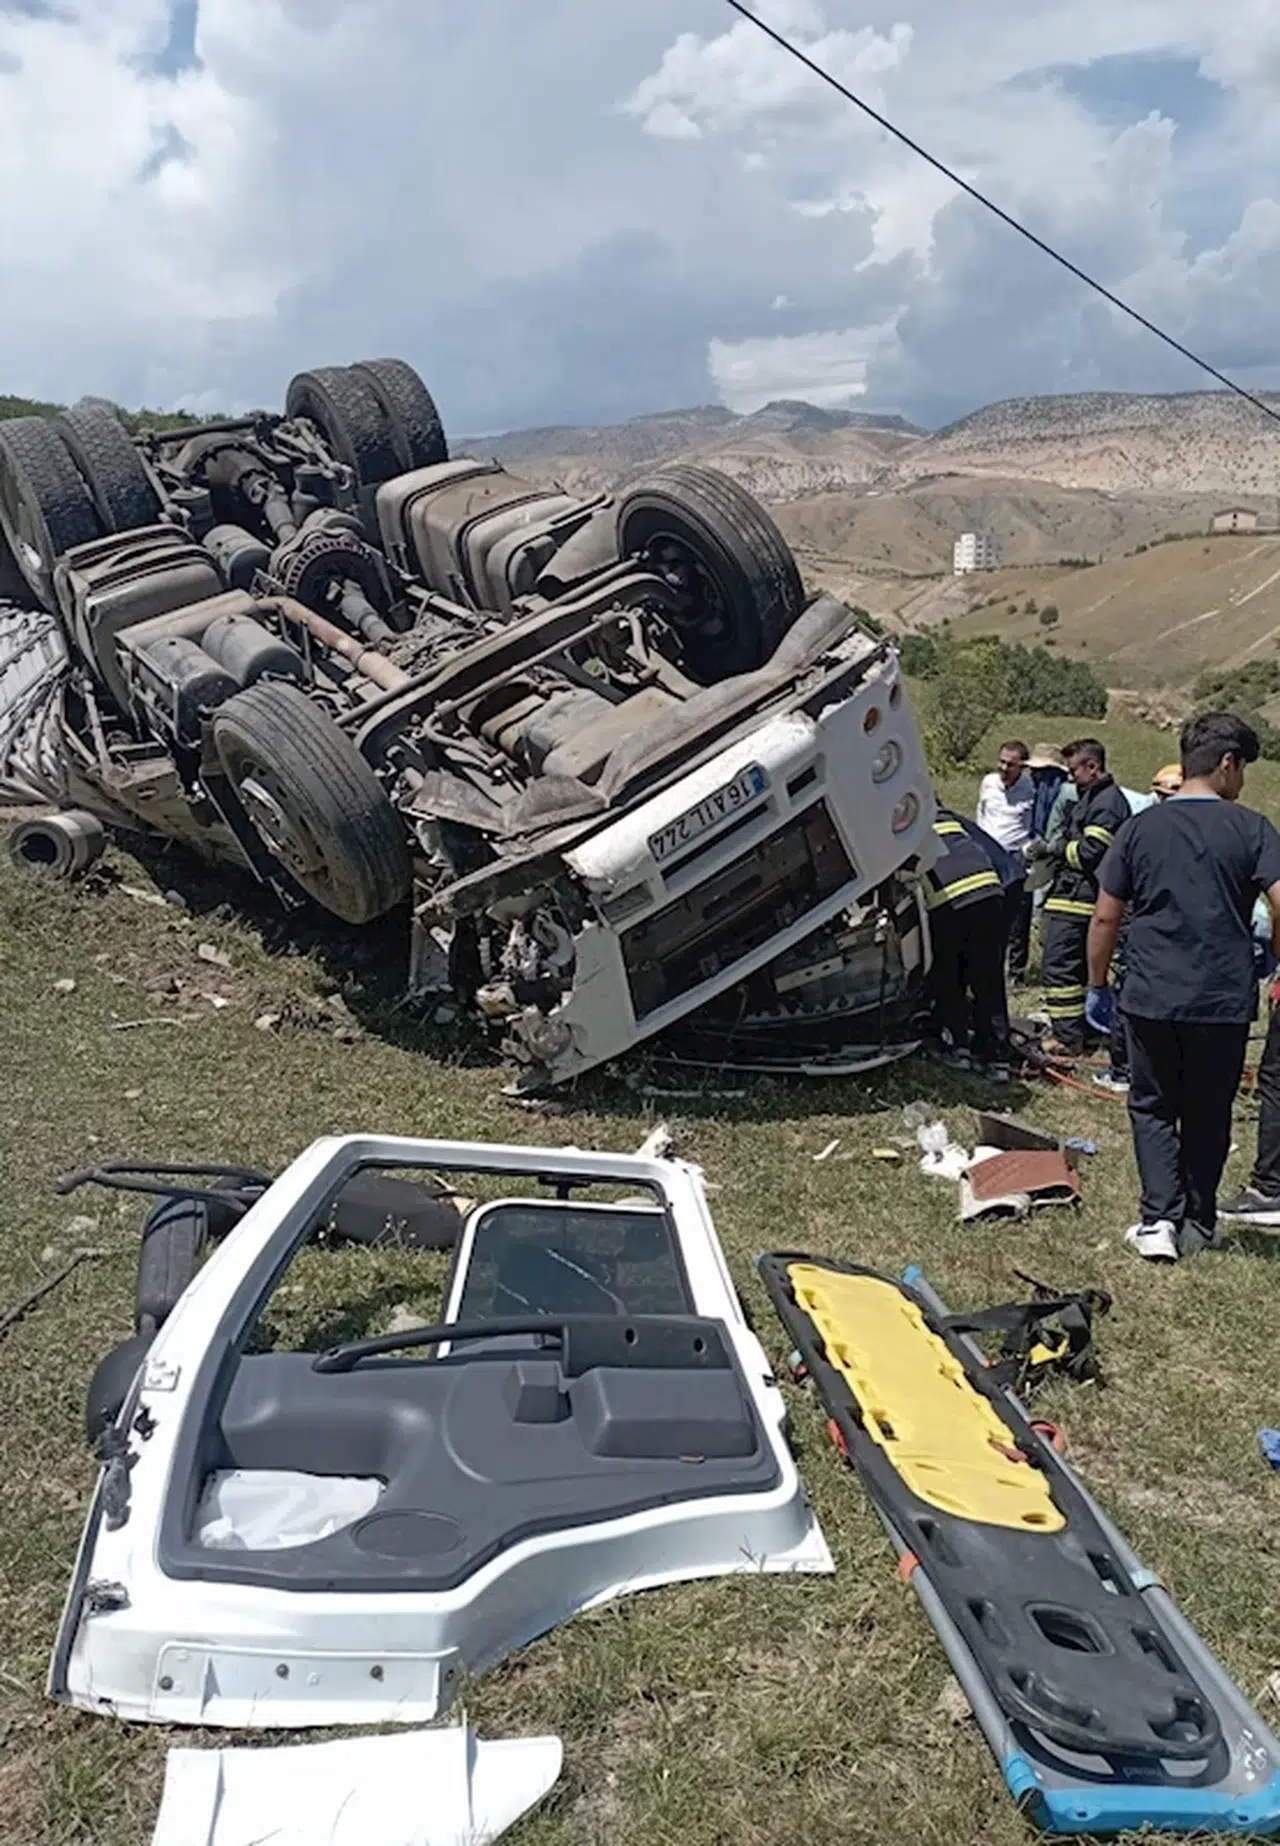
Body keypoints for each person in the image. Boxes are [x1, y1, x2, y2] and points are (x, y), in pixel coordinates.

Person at [1087, 712, 1280, 1261]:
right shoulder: (1253, 829)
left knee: (1152, 1105)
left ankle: (1158, 1221)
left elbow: (1105, 916)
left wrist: (1097, 984)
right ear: (1226, 764)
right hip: (1222, 998)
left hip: (1151, 992)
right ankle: (1199, 1221)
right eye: (1242, 768)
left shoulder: (1140, 828)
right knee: (1209, 1110)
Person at [1093, 764, 1184, 1095]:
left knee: (1130, 996)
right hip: (1170, 930)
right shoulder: (1199, 834)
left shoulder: (1139, 830)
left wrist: (1096, 983)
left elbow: (1108, 902)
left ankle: (1124, 1070)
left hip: (1141, 927)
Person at [1038, 740, 1132, 1054]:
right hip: (1075, 894)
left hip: (1079, 898)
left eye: (1073, 771)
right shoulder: (1093, 798)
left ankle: (1067, 1039)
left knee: (1060, 967)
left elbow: (1091, 853)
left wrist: (1055, 849)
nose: (1070, 778)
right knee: (1075, 971)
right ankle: (1083, 1031)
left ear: (1092, 767)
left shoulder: (1107, 803)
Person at [924, 804, 1012, 1080]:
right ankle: (997, 1057)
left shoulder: (900, 827)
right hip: (990, 891)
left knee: (950, 974)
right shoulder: (948, 817)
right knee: (989, 977)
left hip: (950, 899)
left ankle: (956, 1045)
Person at [976, 741, 1034, 980]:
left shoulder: (1031, 788)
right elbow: (981, 813)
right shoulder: (988, 783)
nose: (1004, 768)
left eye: (1010, 764)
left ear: (1022, 766)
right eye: (1001, 762)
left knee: (1018, 917)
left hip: (1016, 856)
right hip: (987, 853)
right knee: (987, 912)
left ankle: (1016, 972)